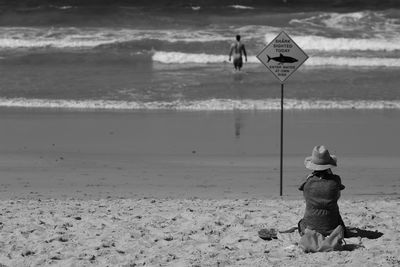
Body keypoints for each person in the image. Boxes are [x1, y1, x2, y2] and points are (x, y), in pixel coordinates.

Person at [298, 145, 346, 237]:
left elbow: (301, 189)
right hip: (333, 228)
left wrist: (310, 177)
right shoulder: (335, 180)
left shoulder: (307, 181)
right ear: (329, 166)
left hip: (310, 228)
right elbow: (337, 195)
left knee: (301, 222)